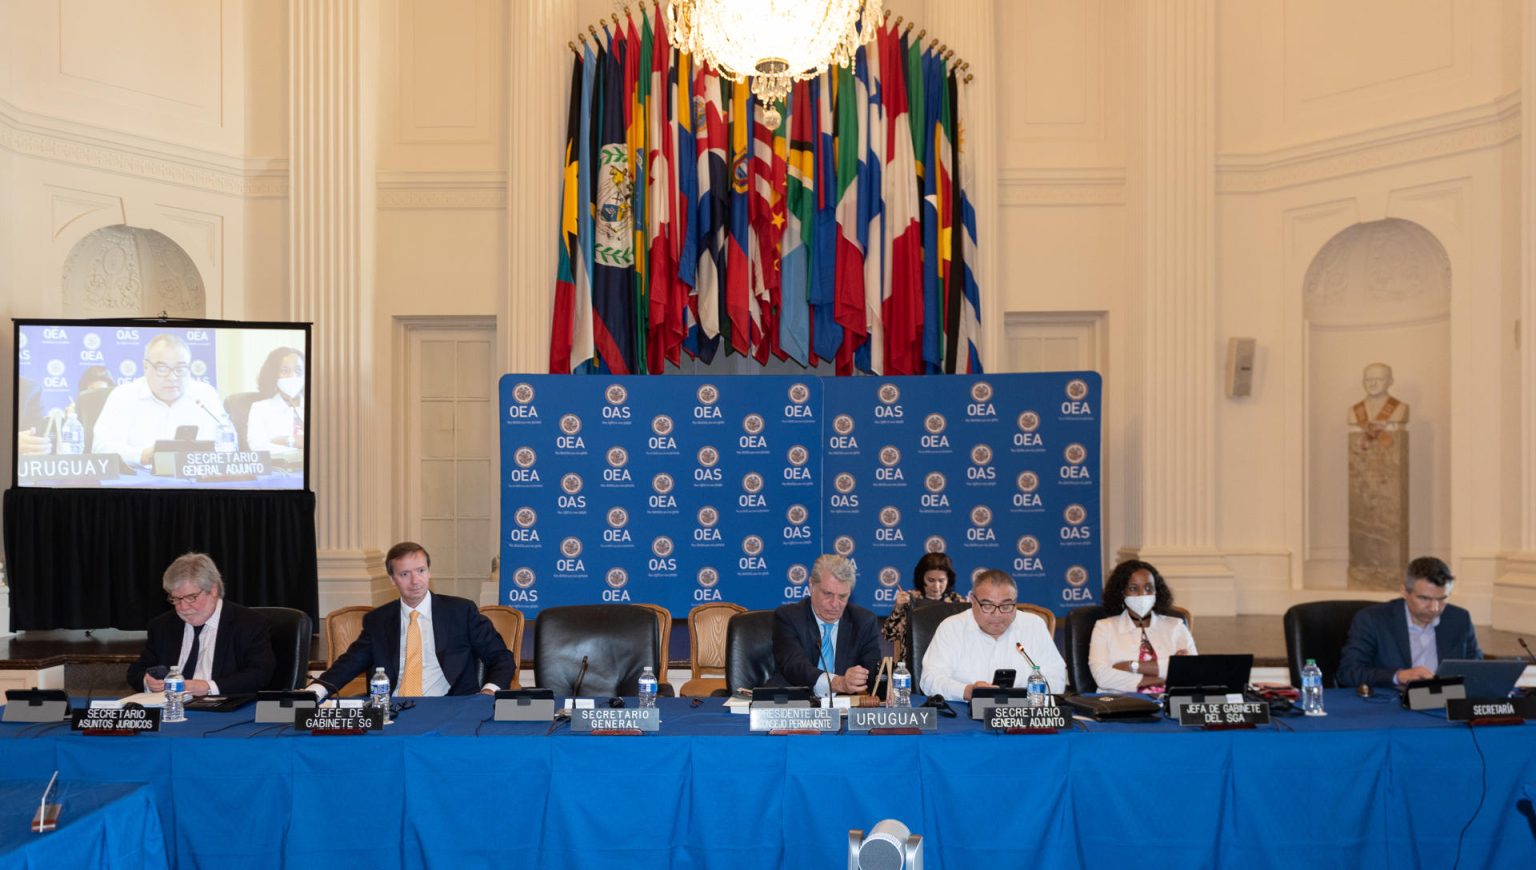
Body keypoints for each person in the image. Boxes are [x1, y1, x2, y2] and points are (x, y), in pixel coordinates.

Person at [309, 541, 514, 698]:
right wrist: (315, 691)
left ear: (429, 572)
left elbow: (501, 657)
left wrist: (489, 691)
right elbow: (350, 663)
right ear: (392, 579)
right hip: (393, 710)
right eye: (405, 574)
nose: (415, 581)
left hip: (450, 708)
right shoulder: (378, 621)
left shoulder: (460, 612)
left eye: (420, 571)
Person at [126, 553, 275, 696]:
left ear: (213, 590)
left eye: (191, 597)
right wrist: (148, 681)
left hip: (224, 711)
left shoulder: (249, 624)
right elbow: (136, 671)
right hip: (172, 709)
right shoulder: (162, 626)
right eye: (176, 599)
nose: (183, 607)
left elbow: (260, 673)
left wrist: (209, 687)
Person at [1336, 556, 1482, 689]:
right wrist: (1398, 676)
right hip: (1391, 707)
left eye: (1441, 599)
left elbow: (1477, 670)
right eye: (1424, 599)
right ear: (1404, 591)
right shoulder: (1372, 620)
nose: (1434, 608)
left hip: (1445, 706)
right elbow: (1348, 672)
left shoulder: (1459, 619)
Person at [920, 569, 1066, 700]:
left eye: (1006, 606)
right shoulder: (951, 627)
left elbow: (1057, 679)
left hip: (1025, 715)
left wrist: (1020, 695)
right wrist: (968, 691)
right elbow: (930, 680)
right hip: (963, 714)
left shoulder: (1034, 626)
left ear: (1015, 602)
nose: (997, 614)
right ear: (973, 601)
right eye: (988, 606)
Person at [91, 333, 229, 467]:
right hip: (141, 484)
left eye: (180, 369)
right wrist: (143, 455)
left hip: (197, 482)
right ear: (146, 367)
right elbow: (101, 449)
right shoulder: (124, 396)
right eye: (162, 369)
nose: (172, 377)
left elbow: (228, 442)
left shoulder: (205, 395)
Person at [770, 553, 883, 698]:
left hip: (845, 707)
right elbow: (795, 666)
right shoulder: (788, 617)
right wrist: (839, 683)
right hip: (795, 704)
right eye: (828, 594)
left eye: (842, 597)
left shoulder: (863, 621)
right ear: (811, 586)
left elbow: (872, 672)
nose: (835, 604)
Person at [1088, 559, 1196, 693]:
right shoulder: (1104, 627)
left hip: (1169, 701)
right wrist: (1164, 677)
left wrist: (1130, 666)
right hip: (1121, 704)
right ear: (1122, 592)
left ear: (1157, 591)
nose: (1142, 594)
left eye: (1148, 588)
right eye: (1133, 589)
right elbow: (1102, 677)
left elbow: (1192, 670)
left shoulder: (1175, 626)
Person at [881, 552, 967, 654]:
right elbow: (889, 636)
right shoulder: (909, 600)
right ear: (921, 578)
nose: (936, 586)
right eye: (931, 580)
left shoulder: (958, 602)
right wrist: (898, 608)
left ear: (949, 580)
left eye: (941, 580)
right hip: (914, 662)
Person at [245, 347, 305, 453]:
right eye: (285, 371)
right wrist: (292, 441)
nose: (293, 376)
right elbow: (257, 446)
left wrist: (279, 441)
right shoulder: (260, 408)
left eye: (298, 370)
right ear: (273, 375)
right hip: (279, 468)